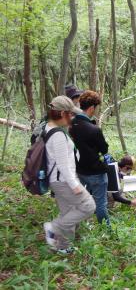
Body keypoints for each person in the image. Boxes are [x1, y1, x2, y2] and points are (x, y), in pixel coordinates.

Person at [43, 96, 96, 254]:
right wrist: (75, 185)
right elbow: (62, 165)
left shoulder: (50, 128)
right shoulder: (58, 135)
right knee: (88, 206)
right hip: (63, 180)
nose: (72, 118)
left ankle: (63, 247)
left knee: (68, 211)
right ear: (61, 113)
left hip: (58, 181)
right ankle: (53, 227)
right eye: (70, 114)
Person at [70, 90, 110, 226]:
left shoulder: (71, 125)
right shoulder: (94, 129)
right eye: (96, 108)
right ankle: (106, 230)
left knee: (80, 200)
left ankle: (77, 226)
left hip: (79, 171)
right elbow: (104, 149)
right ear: (92, 108)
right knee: (100, 203)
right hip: (96, 173)